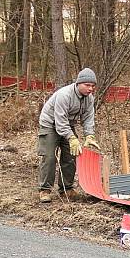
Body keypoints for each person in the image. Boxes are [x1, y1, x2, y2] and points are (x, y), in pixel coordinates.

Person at [37, 68, 101, 203]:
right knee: (49, 157)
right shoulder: (64, 95)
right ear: (79, 83)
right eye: (87, 85)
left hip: (67, 124)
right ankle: (45, 190)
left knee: (71, 155)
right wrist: (72, 138)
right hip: (50, 124)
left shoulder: (89, 99)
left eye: (93, 86)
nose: (91, 89)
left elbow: (88, 118)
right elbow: (60, 122)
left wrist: (90, 135)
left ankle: (66, 189)